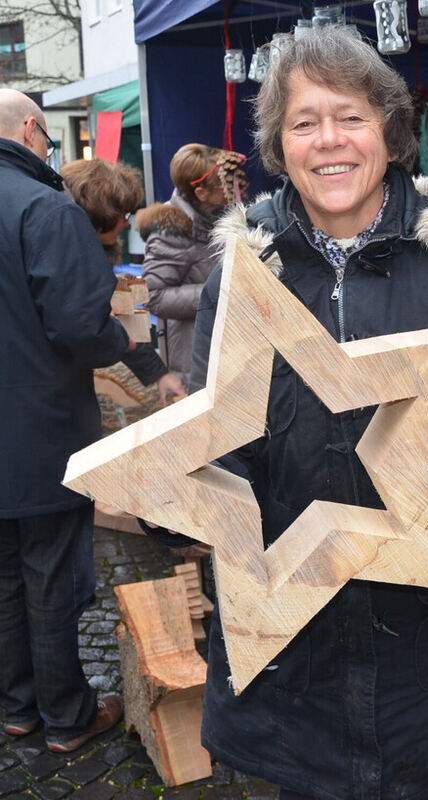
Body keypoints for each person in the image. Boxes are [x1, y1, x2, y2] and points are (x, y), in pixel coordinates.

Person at [152, 27, 428, 799]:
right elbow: (217, 439)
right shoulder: (244, 278)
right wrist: (182, 495)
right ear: (279, 144)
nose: (327, 141)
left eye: (350, 117)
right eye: (303, 123)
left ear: (389, 133)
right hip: (284, 671)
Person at [0, 88, 127, 752]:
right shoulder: (45, 207)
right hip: (39, 431)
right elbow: (81, 323)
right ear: (30, 130)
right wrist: (131, 348)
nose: (52, 151)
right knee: (49, 576)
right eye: (49, 140)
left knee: (3, 578)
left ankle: (19, 709)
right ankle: (66, 718)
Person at [60, 157, 186, 404]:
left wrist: (159, 374)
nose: (126, 224)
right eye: (123, 214)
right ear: (100, 215)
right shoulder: (71, 261)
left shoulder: (86, 253)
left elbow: (120, 319)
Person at [137, 143, 245, 386]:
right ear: (201, 194)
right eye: (224, 187)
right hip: (194, 361)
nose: (232, 190)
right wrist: (218, 292)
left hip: (227, 354)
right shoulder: (171, 231)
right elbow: (153, 295)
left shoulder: (217, 218)